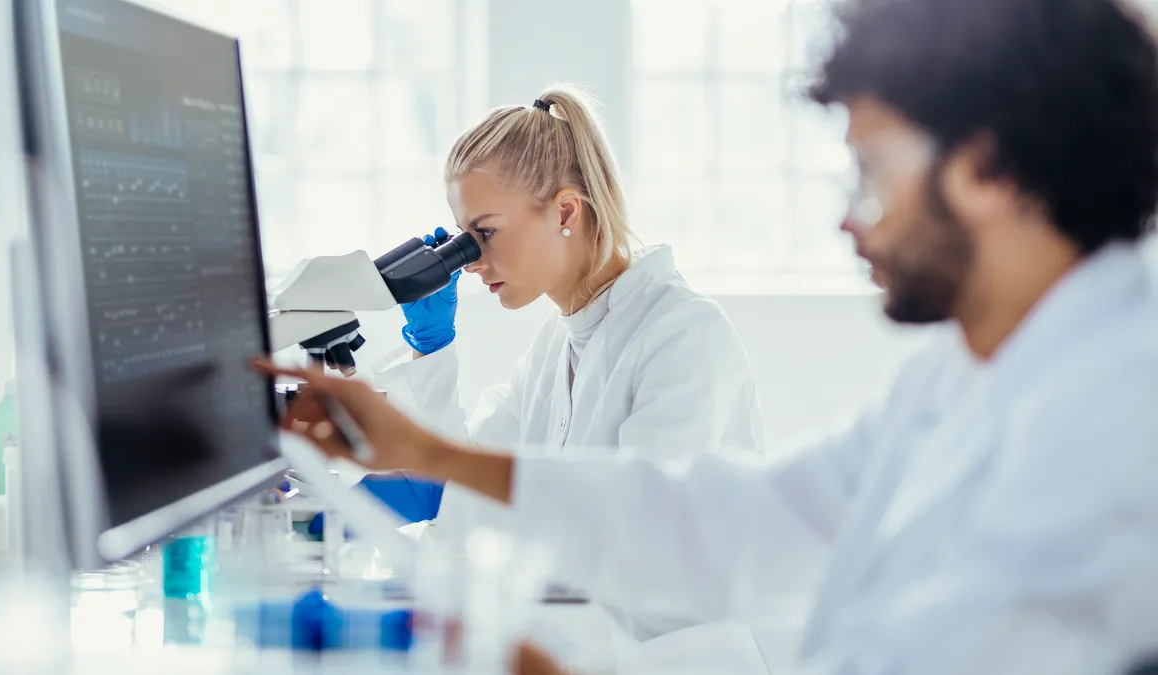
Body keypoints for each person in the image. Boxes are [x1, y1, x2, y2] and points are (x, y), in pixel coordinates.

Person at [261, 0, 1158, 672]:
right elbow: (744, 515)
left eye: (872, 171)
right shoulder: (964, 376)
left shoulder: (1116, 414)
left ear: (987, 171)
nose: (852, 221)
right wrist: (430, 452)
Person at [354, 84, 764, 650]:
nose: (470, 263)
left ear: (566, 211)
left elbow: (634, 545)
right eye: (463, 239)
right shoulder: (558, 346)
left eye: (485, 234)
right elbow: (465, 490)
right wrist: (433, 347)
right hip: (581, 646)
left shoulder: (684, 335)